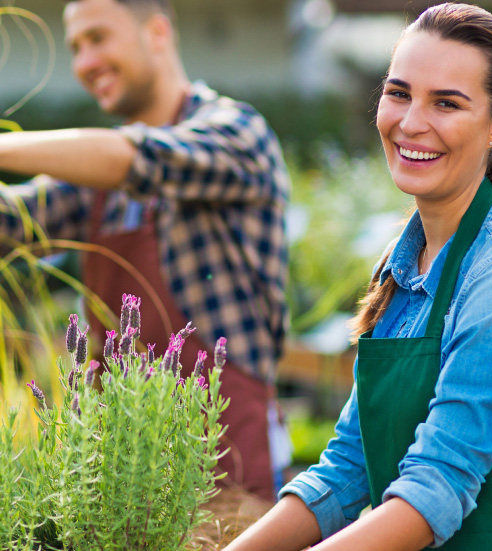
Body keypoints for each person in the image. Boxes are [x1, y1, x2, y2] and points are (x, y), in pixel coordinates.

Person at [223, 3, 492, 550]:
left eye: (446, 103)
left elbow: (438, 487)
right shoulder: (403, 263)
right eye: (399, 93)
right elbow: (347, 467)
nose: (411, 122)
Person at [0, 0, 290, 502]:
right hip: (121, 469)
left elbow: (140, 159)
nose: (84, 62)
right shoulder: (92, 180)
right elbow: (14, 218)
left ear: (156, 32)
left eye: (98, 38)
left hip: (225, 459)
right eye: (74, 47)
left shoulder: (238, 132)